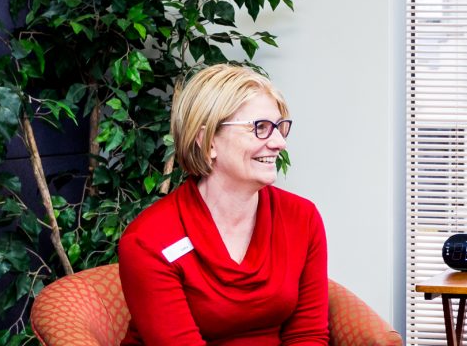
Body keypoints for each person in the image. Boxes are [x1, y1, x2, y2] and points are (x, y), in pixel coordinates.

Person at [119, 64, 328, 345]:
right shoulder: (149, 239)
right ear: (207, 141)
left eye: (280, 127)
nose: (279, 143)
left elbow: (307, 335)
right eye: (260, 128)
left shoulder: (301, 217)